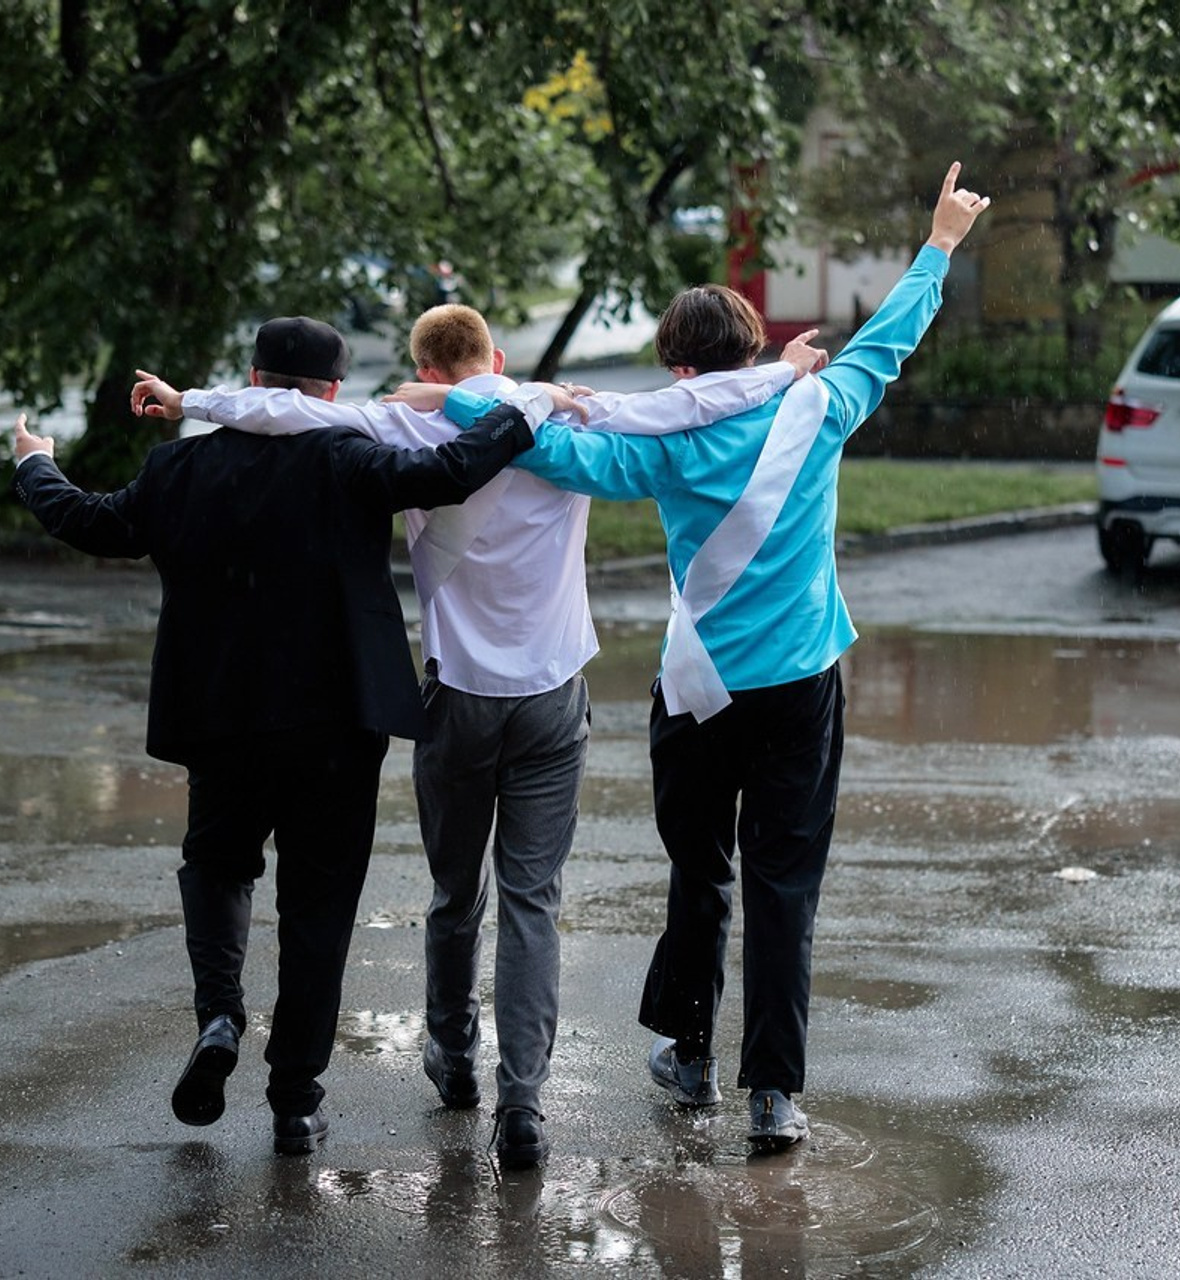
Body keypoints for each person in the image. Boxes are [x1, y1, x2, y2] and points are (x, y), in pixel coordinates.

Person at [157, 306, 824, 1169]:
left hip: (458, 699)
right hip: (552, 699)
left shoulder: (408, 422)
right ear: (495, 358)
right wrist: (782, 373)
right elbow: (682, 409)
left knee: (452, 892)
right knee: (532, 902)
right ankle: (524, 1103)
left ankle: (452, 1056)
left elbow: (297, 412)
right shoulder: (552, 414)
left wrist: (191, 403)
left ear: (426, 369)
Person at [440, 162, 991, 1151]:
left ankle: (689, 1055)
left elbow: (543, 450)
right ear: (756, 351)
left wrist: (452, 400)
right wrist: (939, 240)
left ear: (680, 372)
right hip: (800, 683)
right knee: (786, 888)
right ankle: (773, 1093)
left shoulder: (661, 446)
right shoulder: (816, 410)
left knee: (701, 874)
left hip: (695, 694)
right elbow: (890, 340)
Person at [9, 316, 568, 1156]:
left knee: (217, 864)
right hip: (337, 725)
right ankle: (295, 1102)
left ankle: (222, 1014)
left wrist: (33, 463)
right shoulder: (346, 455)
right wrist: (529, 407)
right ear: (334, 392)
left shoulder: (181, 466)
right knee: (318, 908)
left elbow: (94, 523)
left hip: (221, 718)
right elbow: (452, 471)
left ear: (253, 377)